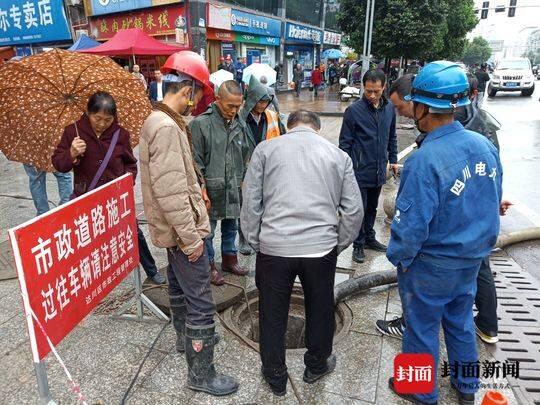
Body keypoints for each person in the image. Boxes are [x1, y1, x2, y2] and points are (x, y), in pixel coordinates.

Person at [386, 61, 503, 405]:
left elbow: (410, 227)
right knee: (460, 322)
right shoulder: (485, 147)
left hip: (431, 265)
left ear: (423, 106)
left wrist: (399, 257)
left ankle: (420, 391)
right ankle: (467, 389)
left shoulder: (426, 160)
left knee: (421, 328)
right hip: (471, 261)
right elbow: (492, 200)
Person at [241, 110, 363, 397]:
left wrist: (257, 242)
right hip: (320, 249)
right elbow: (354, 211)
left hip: (274, 247)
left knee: (271, 312)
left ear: (288, 126)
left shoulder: (266, 150)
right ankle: (317, 365)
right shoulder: (338, 156)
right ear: (317, 128)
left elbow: (250, 202)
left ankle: (275, 375)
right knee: (320, 307)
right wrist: (338, 244)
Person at [138, 51, 239, 396]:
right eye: (195, 96)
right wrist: (192, 239)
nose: (195, 104)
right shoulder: (166, 128)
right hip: (182, 232)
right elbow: (170, 192)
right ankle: (201, 374)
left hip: (170, 232)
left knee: (178, 286)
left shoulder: (157, 119)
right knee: (200, 300)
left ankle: (185, 340)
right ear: (188, 91)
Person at [51, 91, 166, 285]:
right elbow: (59, 164)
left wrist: (127, 182)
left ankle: (151, 270)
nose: (102, 123)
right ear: (88, 112)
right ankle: (90, 279)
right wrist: (71, 153)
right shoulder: (73, 132)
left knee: (134, 233)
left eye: (108, 119)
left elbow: (130, 164)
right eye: (98, 118)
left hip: (115, 197)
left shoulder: (120, 134)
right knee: (87, 241)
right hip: (86, 196)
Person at [190, 80, 251, 285]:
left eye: (238, 106)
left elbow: (245, 152)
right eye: (230, 106)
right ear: (218, 100)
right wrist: (202, 187)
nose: (234, 111)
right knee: (208, 230)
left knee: (231, 225)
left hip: (233, 185)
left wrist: (242, 178)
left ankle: (229, 259)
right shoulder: (200, 124)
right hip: (210, 188)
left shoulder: (239, 121)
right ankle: (209, 266)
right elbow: (195, 160)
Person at [339, 69, 398, 264]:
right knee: (360, 209)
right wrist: (346, 171)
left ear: (384, 88)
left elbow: (392, 136)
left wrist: (394, 159)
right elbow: (345, 145)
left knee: (373, 206)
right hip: (359, 170)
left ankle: (370, 238)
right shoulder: (354, 111)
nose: (372, 95)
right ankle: (358, 243)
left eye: (377, 91)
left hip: (380, 169)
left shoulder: (389, 109)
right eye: (368, 91)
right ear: (363, 88)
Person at [237, 76, 286, 255]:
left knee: (266, 204)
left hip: (268, 167)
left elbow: (283, 136)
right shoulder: (239, 117)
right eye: (260, 101)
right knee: (245, 205)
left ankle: (263, 236)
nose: (263, 105)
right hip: (245, 168)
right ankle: (243, 239)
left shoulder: (272, 117)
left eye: (266, 101)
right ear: (251, 100)